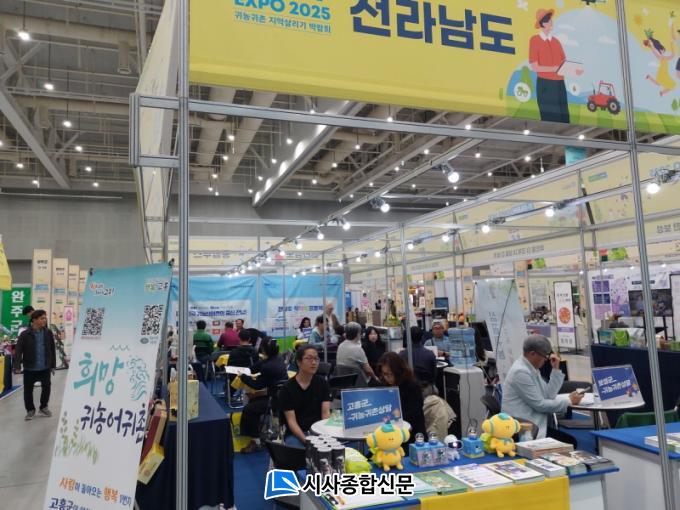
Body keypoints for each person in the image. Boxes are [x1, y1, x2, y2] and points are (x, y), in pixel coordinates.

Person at [502, 335, 583, 441]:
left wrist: (555, 369)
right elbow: (540, 405)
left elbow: (548, 395)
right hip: (523, 430)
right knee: (570, 442)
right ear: (532, 354)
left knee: (570, 441)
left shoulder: (531, 368)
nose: (546, 359)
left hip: (532, 424)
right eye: (545, 356)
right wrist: (569, 401)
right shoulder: (520, 372)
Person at [529, 8, 582, 123]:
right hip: (545, 84)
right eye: (548, 20)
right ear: (542, 24)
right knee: (550, 118)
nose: (551, 22)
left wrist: (574, 71)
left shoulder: (556, 42)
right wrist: (553, 69)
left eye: (551, 19)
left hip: (560, 83)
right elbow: (534, 67)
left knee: (564, 117)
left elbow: (563, 64)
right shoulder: (535, 40)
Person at [238, 338, 289, 453]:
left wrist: (243, 377)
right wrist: (248, 370)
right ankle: (258, 431)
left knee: (249, 409)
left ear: (263, 350)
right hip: (280, 395)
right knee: (252, 401)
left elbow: (257, 385)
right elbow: (260, 364)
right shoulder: (278, 358)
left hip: (275, 400)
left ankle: (255, 442)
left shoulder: (268, 366)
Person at [279, 345, 331, 447]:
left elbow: (325, 413)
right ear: (299, 362)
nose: (314, 362)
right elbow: (291, 422)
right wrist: (307, 442)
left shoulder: (322, 383)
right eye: (309, 358)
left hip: (318, 431)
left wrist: (325, 436)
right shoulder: (287, 388)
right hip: (296, 434)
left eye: (316, 359)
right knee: (300, 453)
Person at [13, 310, 56, 420]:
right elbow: (18, 351)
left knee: (46, 387)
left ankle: (43, 407)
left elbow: (52, 349)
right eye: (42, 318)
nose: (45, 320)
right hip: (30, 367)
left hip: (45, 367)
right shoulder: (25, 334)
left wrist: (52, 365)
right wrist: (17, 366)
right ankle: (30, 410)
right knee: (28, 390)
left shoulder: (48, 332)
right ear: (34, 320)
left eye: (45, 318)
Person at [376, 352, 426, 441]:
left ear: (398, 371)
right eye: (384, 374)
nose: (387, 377)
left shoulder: (412, 386)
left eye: (390, 374)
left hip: (411, 434)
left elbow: (413, 414)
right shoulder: (384, 386)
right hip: (390, 432)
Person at [336, 322, 377, 386]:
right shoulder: (358, 349)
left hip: (343, 381)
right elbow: (368, 370)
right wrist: (376, 378)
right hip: (359, 383)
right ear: (358, 334)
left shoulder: (340, 346)